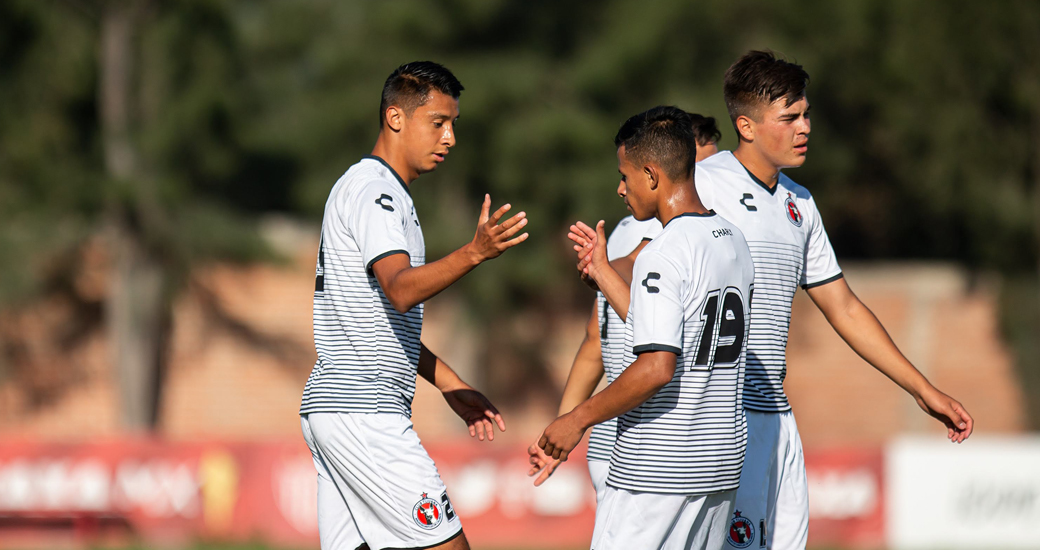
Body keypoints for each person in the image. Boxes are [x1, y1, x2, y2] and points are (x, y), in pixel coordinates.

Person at [692, 50, 974, 550]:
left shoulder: (800, 202)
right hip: (718, 419)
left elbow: (843, 307)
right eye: (790, 117)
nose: (805, 127)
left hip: (776, 418)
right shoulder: (703, 186)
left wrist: (922, 389)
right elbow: (643, 261)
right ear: (746, 126)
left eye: (806, 114)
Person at [299, 61, 528, 550]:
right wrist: (474, 252)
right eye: (438, 123)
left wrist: (448, 382)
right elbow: (400, 289)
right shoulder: (375, 191)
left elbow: (376, 321)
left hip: (340, 410)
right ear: (396, 118)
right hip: (364, 411)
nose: (448, 138)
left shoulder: (380, 193)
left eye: (453, 125)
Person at [536, 106, 756, 550]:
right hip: (717, 465)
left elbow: (657, 366)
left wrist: (577, 419)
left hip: (656, 468)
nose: (620, 188)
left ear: (652, 175)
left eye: (625, 175)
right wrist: (602, 272)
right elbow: (668, 328)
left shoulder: (664, 251)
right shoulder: (732, 239)